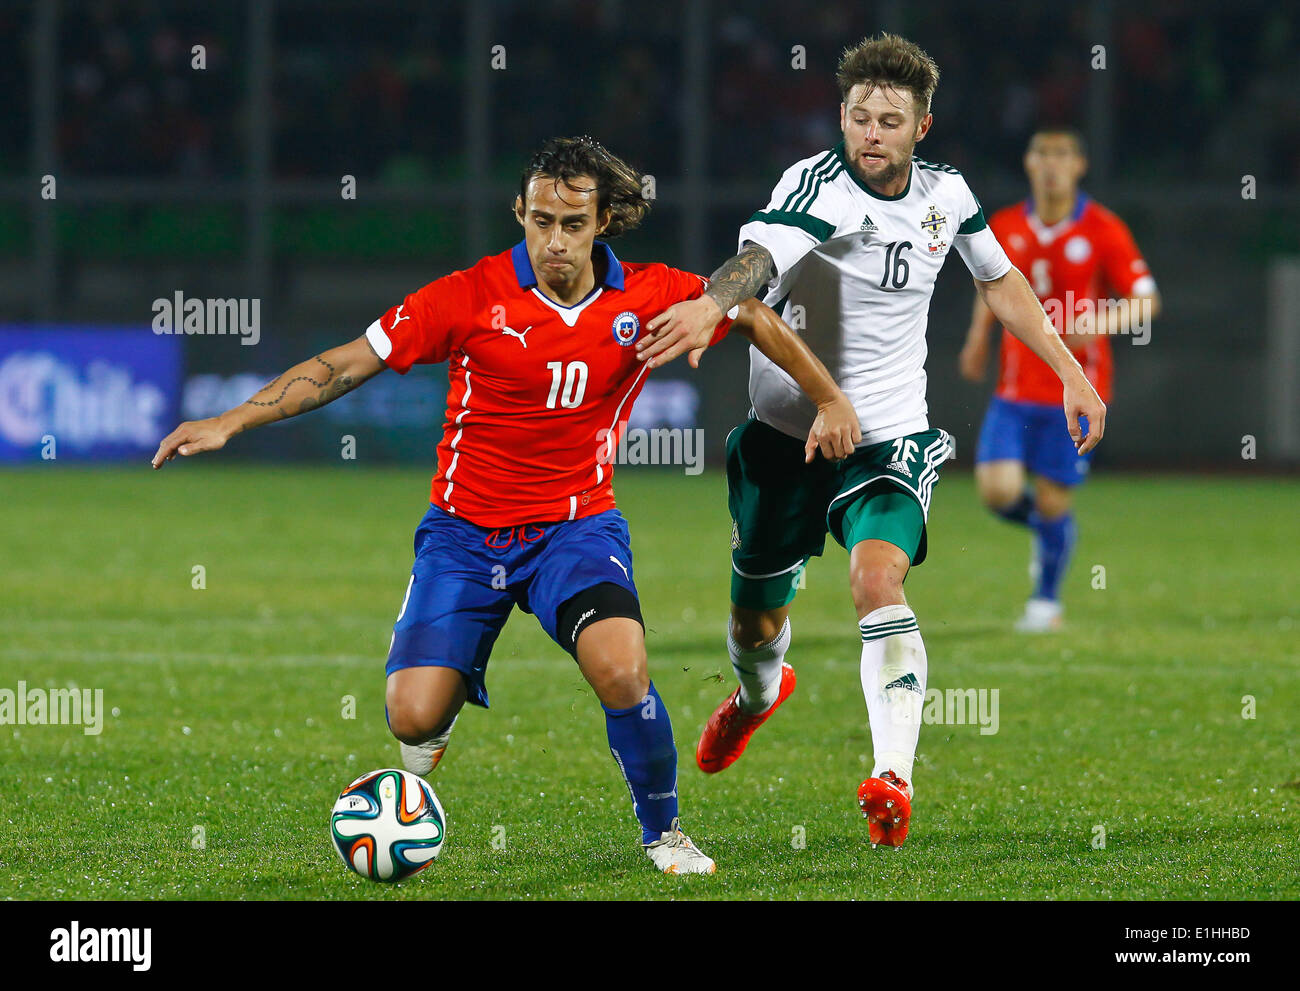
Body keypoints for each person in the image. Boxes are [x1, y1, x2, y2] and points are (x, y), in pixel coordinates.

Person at [151, 136, 860, 875]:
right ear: (520, 212)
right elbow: (347, 363)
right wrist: (230, 418)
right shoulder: (469, 295)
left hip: (576, 529)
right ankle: (435, 708)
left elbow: (749, 310)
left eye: (573, 224)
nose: (555, 240)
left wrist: (826, 395)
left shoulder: (651, 295)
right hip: (463, 535)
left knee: (622, 667)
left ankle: (665, 832)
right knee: (412, 715)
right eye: (541, 220)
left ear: (604, 221)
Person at [637, 36, 1106, 848]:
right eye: (859, 117)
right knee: (755, 624)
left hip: (888, 436)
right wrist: (714, 303)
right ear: (843, 118)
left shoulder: (948, 195)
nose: (872, 134)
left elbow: (997, 280)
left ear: (923, 126)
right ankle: (756, 696)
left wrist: (1069, 368)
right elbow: (754, 265)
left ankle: (893, 775)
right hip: (785, 439)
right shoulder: (814, 187)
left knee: (875, 578)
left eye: (890, 120)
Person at [959, 127, 1159, 631]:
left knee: (1052, 497)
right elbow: (992, 287)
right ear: (1028, 163)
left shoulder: (1102, 228)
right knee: (996, 491)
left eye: (1062, 155)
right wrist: (977, 337)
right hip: (1015, 385)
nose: (1052, 164)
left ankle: (1045, 603)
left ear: (1079, 166)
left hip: (1075, 389)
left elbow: (1146, 301)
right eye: (1042, 154)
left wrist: (1100, 323)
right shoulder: (1004, 223)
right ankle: (1049, 534)